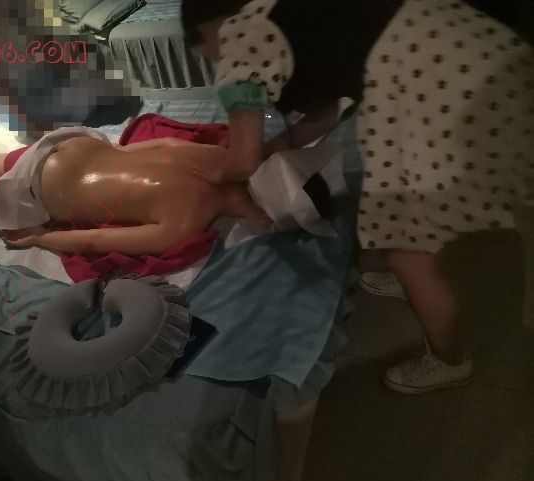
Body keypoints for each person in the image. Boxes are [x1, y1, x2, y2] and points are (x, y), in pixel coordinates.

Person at [181, 0, 534, 393]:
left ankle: (448, 359)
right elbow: (324, 113)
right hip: (472, 54)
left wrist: (213, 170)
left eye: (203, 53)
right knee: (422, 207)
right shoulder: (285, 17)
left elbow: (242, 159)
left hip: (444, 85)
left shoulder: (238, 37)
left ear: (208, 29)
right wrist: (271, 148)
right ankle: (418, 272)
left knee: (405, 247)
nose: (212, 61)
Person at [0, 126, 268, 256]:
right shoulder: (185, 222)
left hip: (74, 146)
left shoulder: (212, 157)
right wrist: (40, 238)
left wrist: (113, 155)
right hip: (41, 190)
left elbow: (155, 145)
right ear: (255, 214)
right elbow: (95, 240)